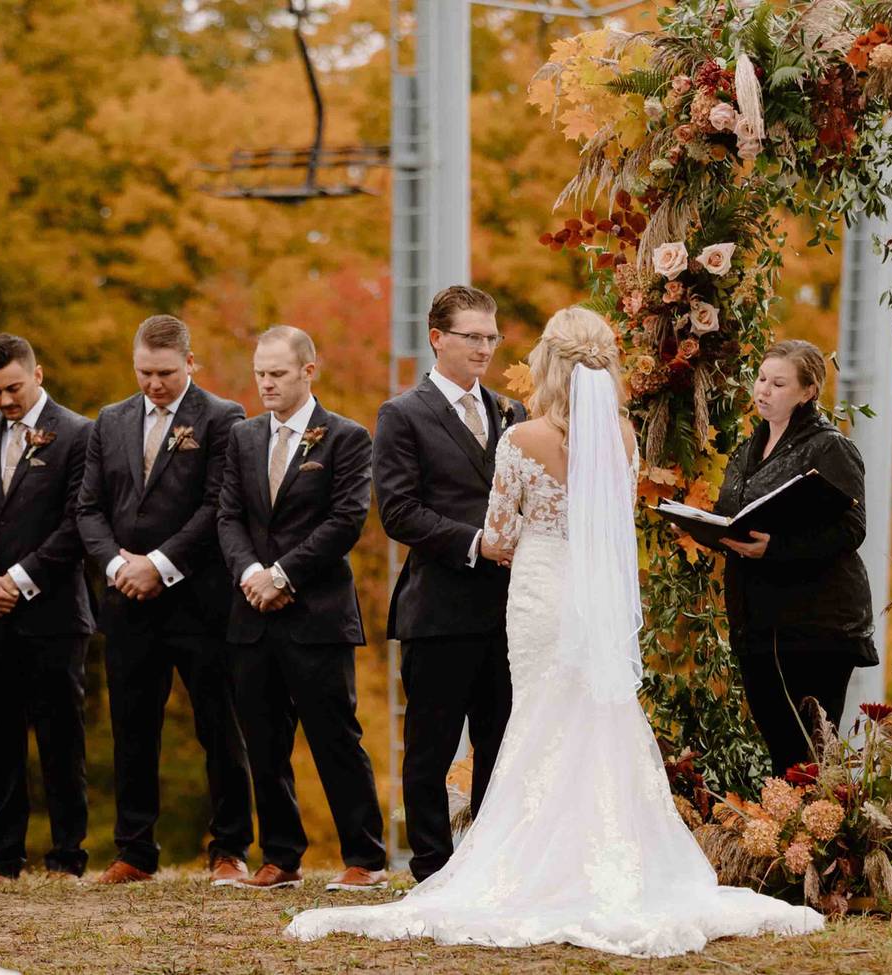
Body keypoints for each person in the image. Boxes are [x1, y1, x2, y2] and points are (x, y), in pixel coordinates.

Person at [283, 307, 821, 956]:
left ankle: (532, 864)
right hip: (591, 593)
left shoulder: (520, 438)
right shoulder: (623, 436)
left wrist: (522, 532)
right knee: (596, 717)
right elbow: (613, 524)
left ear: (550, 364)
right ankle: (605, 862)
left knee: (538, 716)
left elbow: (502, 534)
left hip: (538, 589)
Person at [76, 314, 254, 886]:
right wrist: (116, 565)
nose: (154, 384)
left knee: (219, 726)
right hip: (126, 601)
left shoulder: (222, 418)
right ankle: (134, 850)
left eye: (166, 373)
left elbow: (218, 504)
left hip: (199, 601)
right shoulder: (110, 421)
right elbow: (88, 508)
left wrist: (160, 564)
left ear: (190, 364)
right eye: (145, 373)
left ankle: (229, 847)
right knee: (132, 727)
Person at [216, 325, 386, 891]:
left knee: (335, 738)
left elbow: (345, 521)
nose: (265, 383)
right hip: (252, 613)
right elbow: (229, 518)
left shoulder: (345, 437)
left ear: (308, 371)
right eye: (260, 373)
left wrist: (283, 575)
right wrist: (250, 576)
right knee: (263, 741)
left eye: (278, 373)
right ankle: (281, 857)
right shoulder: (241, 438)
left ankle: (365, 858)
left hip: (316, 614)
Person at [371, 285, 523, 883]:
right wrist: (476, 542)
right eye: (473, 337)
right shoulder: (402, 414)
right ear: (438, 338)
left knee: (500, 743)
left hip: (508, 610)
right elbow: (399, 512)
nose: (485, 348)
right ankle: (431, 866)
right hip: (437, 609)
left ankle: (486, 864)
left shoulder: (513, 413)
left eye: (492, 337)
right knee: (430, 748)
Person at [0, 334, 94, 879]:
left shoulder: (78, 433)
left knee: (60, 735)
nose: (5, 401)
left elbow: (80, 520)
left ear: (38, 373)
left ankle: (66, 856)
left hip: (53, 611)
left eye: (12, 388)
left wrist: (21, 578)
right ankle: (3, 856)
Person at [712, 340, 876, 777]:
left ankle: (817, 842)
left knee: (807, 758)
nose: (763, 390)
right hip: (758, 623)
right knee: (781, 755)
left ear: (808, 392)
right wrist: (703, 527)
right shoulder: (751, 447)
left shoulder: (829, 447)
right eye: (762, 379)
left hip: (815, 627)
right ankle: (789, 844)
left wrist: (776, 548)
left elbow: (852, 528)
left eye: (779, 383)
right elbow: (734, 513)